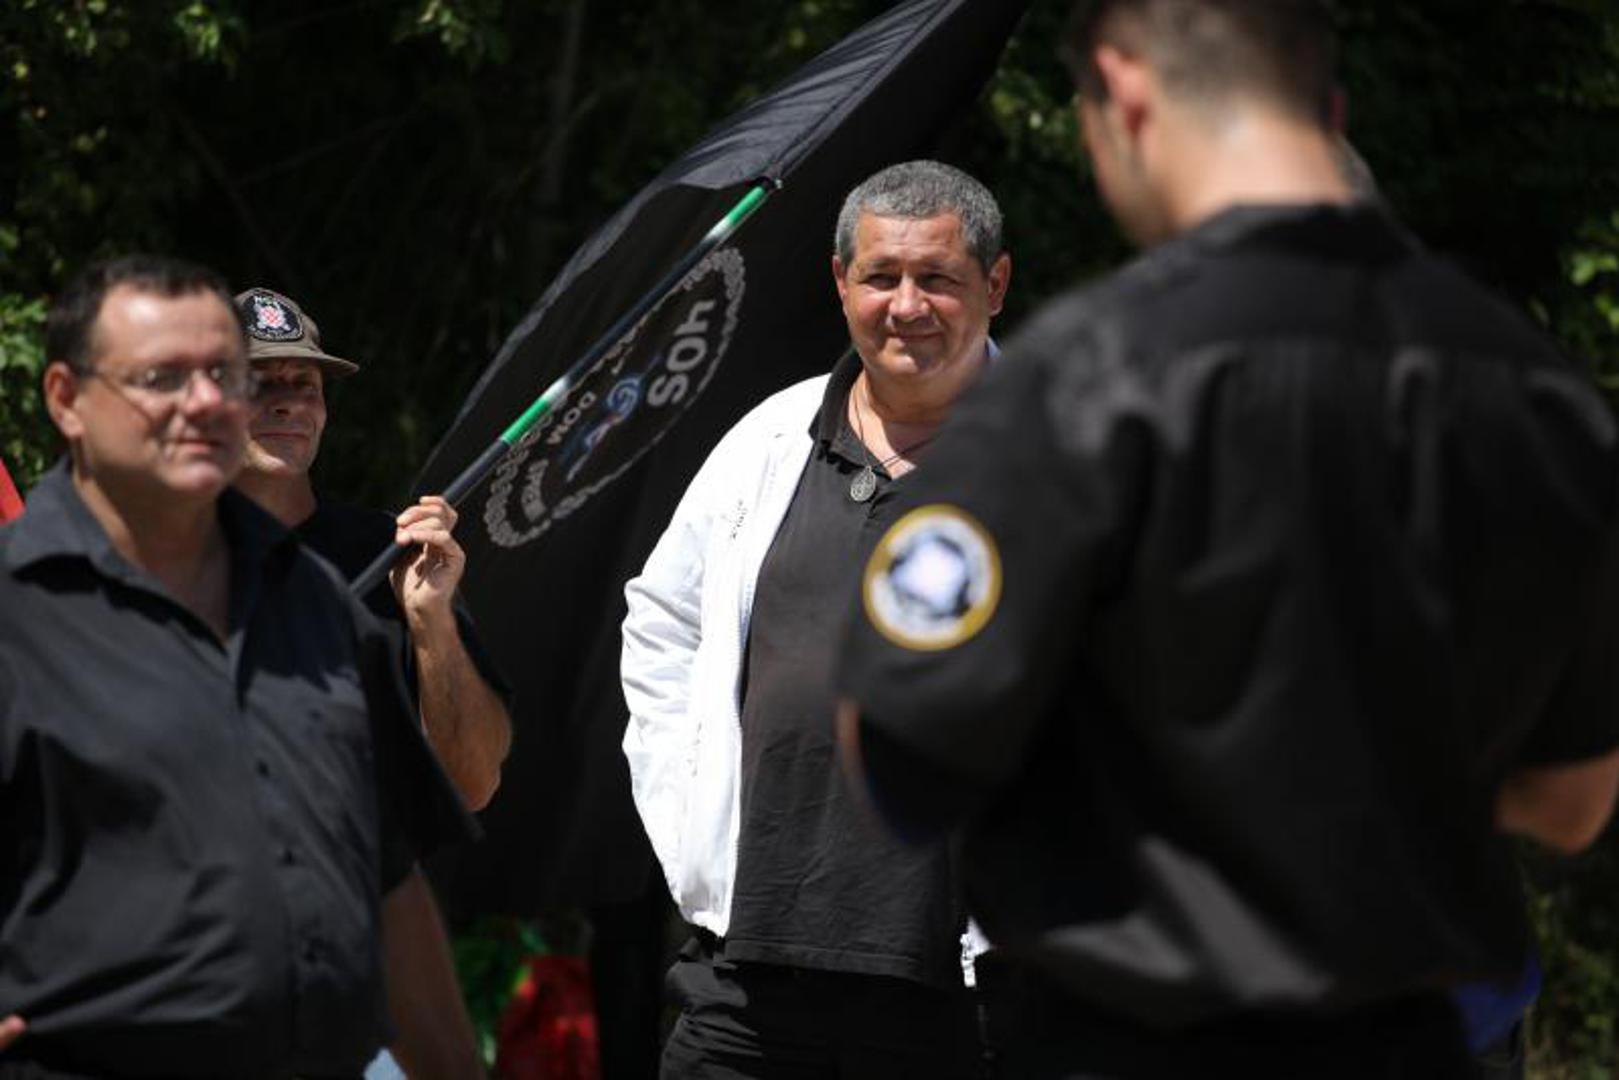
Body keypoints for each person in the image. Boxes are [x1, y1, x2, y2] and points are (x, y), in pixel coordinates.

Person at [834, 2, 1619, 1077]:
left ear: (1124, 96)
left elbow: (896, 753)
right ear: (1328, 108)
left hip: (1119, 1040)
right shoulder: (1537, 397)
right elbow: (1573, 802)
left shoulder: (1074, 384)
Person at [0, 255, 472, 1077]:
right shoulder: (18, 613)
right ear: (68, 400)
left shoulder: (319, 600)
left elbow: (390, 873)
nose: (208, 403)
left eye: (224, 375)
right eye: (162, 378)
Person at [620, 160, 1011, 1076]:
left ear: (994, 285)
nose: (906, 306)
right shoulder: (768, 439)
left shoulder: (1068, 451)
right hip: (747, 982)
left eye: (937, 278)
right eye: (881, 276)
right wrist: (687, 827)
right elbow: (662, 622)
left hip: (972, 998)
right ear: (840, 283)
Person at [230, 285, 514, 1079]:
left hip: (362, 987)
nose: (289, 402)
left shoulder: (393, 558)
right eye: (259, 381)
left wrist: (431, 623)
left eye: (306, 384)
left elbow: (474, 781)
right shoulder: (148, 560)